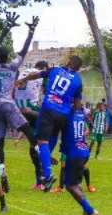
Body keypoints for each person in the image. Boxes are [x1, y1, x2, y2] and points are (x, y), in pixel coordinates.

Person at [0, 13, 41, 194]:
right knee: (26, 128)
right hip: (8, 104)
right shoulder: (12, 66)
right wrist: (31, 31)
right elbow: (24, 50)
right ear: (8, 56)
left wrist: (6, 27)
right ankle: (42, 155)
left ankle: (1, 169)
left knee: (0, 141)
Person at [16, 55, 85, 191]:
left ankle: (48, 174)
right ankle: (45, 173)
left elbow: (36, 74)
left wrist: (23, 79)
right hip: (63, 115)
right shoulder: (78, 81)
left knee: (42, 143)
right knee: (50, 142)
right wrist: (66, 105)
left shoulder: (56, 70)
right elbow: (77, 105)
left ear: (69, 62)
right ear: (77, 68)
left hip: (48, 109)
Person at [62, 98, 99, 215]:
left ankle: (90, 210)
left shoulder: (68, 113)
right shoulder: (81, 112)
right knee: (76, 183)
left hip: (75, 151)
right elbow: (90, 127)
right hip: (83, 150)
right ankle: (86, 211)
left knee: (70, 186)